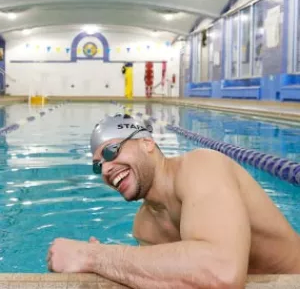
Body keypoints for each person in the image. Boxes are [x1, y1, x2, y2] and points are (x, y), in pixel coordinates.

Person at [47, 114, 300, 289]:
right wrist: (101, 266)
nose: (105, 170)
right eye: (97, 166)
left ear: (147, 143)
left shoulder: (201, 166)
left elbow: (222, 273)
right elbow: (168, 278)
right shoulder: (144, 226)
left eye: (112, 152)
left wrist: (94, 257)